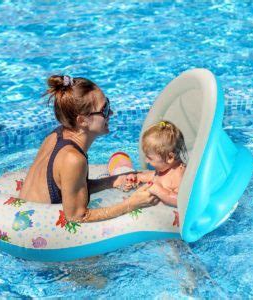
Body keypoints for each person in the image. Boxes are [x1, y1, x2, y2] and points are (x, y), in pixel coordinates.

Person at [19, 75, 159, 222]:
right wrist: (132, 203)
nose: (110, 113)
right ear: (82, 120)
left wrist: (111, 181)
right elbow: (78, 217)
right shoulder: (73, 159)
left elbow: (69, 187)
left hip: (24, 210)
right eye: (104, 110)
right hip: (34, 227)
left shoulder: (57, 134)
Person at [123, 121, 188, 207]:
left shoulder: (179, 176)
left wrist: (158, 190)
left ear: (170, 158)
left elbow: (182, 201)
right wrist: (135, 178)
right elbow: (149, 176)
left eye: (149, 158)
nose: (146, 161)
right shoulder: (162, 170)